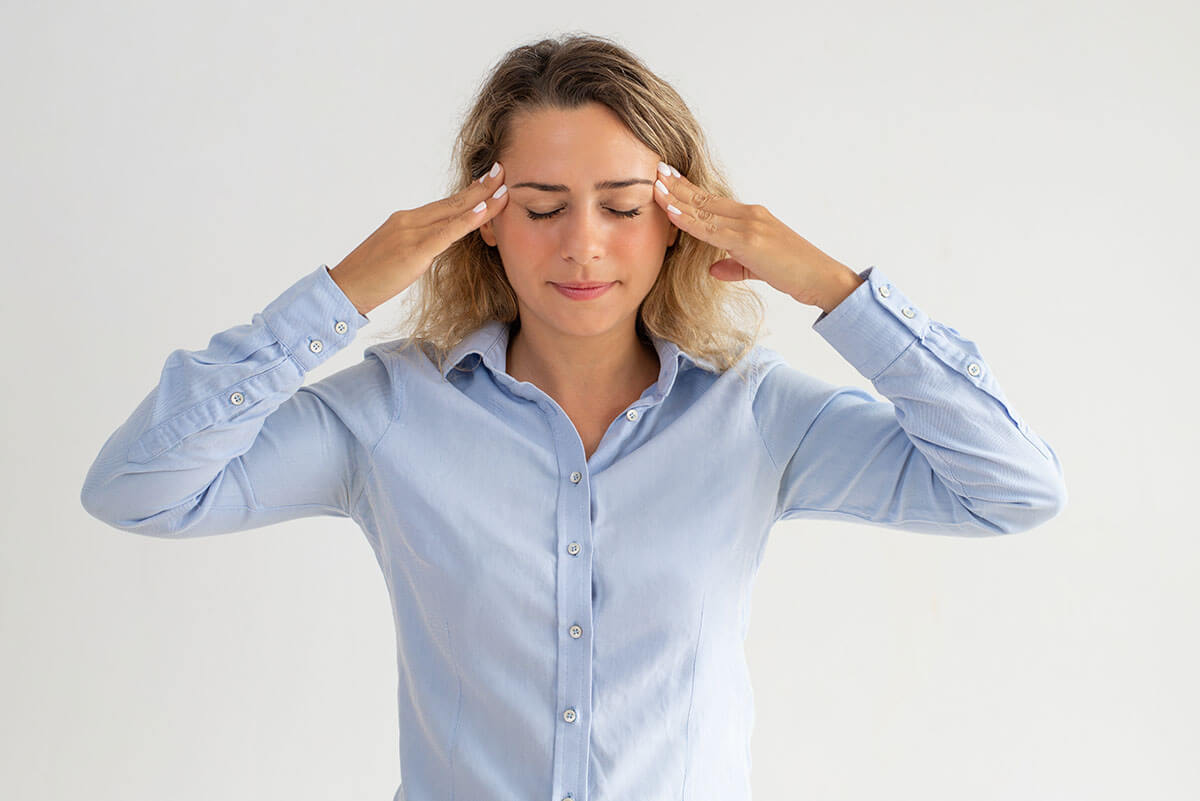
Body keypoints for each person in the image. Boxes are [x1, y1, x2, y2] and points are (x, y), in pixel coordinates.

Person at [80, 33, 1067, 801]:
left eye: (622, 206)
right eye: (543, 206)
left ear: (681, 216)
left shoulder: (755, 416)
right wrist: (336, 297)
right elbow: (139, 490)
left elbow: (1013, 489)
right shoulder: (391, 411)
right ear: (484, 217)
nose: (583, 247)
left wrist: (831, 287)